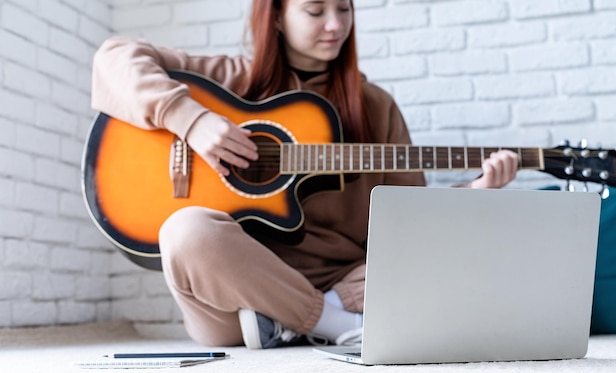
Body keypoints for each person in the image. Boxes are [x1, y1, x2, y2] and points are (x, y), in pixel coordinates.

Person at [91, 0, 518, 349]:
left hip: (349, 288)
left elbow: (411, 217)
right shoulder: (232, 80)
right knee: (185, 231)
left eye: (344, 10)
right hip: (237, 308)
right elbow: (115, 56)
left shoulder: (376, 106)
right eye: (315, 11)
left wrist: (475, 190)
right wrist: (190, 119)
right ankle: (324, 320)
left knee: (448, 270)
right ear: (276, 15)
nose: (335, 25)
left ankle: (307, 319)